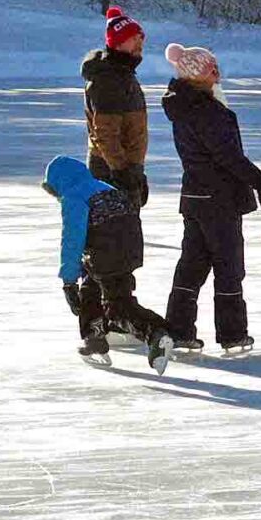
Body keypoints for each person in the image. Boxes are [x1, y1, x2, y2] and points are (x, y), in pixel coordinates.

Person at [162, 43, 261, 357]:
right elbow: (227, 156)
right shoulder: (206, 111)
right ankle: (232, 334)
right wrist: (260, 181)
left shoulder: (186, 106)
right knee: (228, 265)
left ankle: (179, 329)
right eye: (211, 69)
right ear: (198, 76)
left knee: (192, 265)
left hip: (195, 196)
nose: (217, 72)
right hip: (218, 199)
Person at [41, 153, 174, 373]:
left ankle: (156, 333)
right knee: (91, 287)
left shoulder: (74, 196)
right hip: (129, 247)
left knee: (117, 306)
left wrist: (68, 281)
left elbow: (73, 238)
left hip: (105, 249)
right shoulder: (104, 187)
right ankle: (94, 339)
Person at [81, 9, 150, 206]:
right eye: (133, 38)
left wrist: (137, 172)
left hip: (124, 167)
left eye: (141, 38)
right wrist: (122, 173)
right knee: (115, 234)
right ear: (117, 42)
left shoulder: (123, 74)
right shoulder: (108, 80)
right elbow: (105, 133)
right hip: (110, 170)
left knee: (127, 232)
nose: (140, 43)